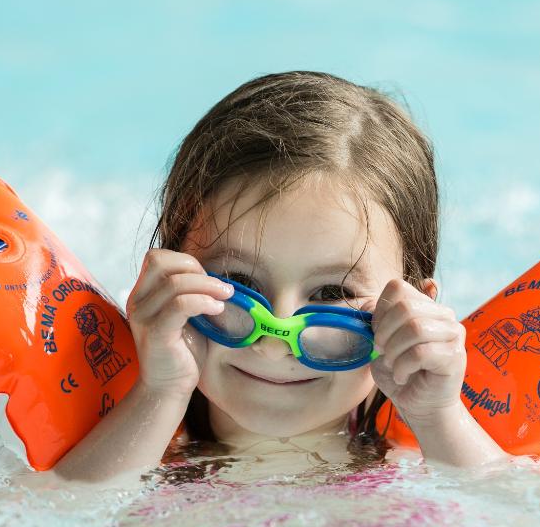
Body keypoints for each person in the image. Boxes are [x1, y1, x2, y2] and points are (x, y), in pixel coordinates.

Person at [55, 71, 508, 482]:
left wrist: (437, 415)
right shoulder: (134, 446)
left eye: (333, 291)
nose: (274, 342)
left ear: (415, 308)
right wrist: (160, 394)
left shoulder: (418, 464)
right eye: (239, 280)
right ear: (170, 271)